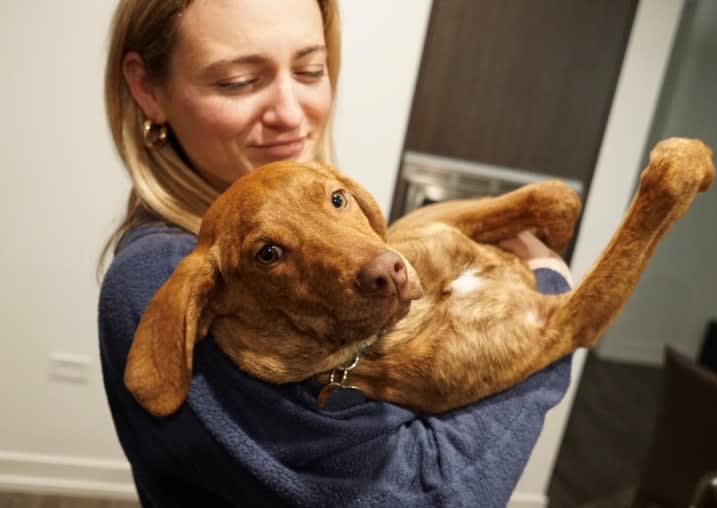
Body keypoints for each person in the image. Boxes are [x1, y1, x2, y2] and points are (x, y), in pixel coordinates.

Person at [98, 1, 574, 506]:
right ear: (148, 88)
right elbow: (429, 495)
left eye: (310, 70)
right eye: (237, 81)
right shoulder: (163, 278)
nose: (290, 113)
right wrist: (549, 298)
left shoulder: (326, 224)